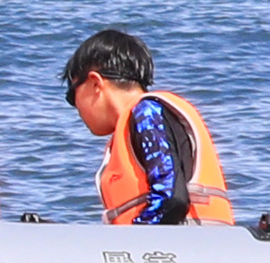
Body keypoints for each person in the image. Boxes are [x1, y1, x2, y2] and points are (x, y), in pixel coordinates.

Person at [64, 28, 234, 226]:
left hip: (187, 247)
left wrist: (135, 241)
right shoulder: (139, 122)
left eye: (71, 95)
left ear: (95, 83)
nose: (76, 107)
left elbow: (171, 198)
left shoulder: (147, 113)